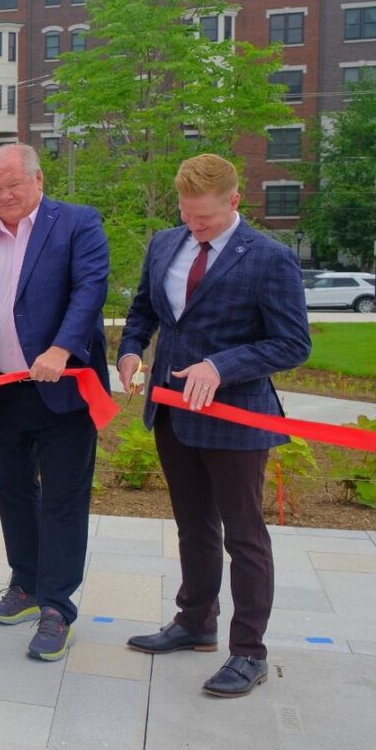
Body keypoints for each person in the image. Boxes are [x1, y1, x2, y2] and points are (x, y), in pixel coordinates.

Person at [119, 154, 310, 698]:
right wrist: (130, 352)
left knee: (244, 536)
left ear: (235, 201)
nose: (194, 227)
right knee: (193, 525)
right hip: (173, 414)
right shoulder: (164, 243)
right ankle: (195, 621)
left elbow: (293, 343)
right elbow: (143, 311)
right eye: (187, 216)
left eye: (204, 219)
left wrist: (222, 366)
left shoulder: (269, 258)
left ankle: (249, 652)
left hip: (236, 418)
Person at [0, 143, 109, 662]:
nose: (5, 196)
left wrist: (62, 348)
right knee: (12, 491)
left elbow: (90, 289)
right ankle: (26, 584)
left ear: (38, 180)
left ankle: (58, 608)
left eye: (14, 185)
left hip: (62, 389)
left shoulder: (77, 224)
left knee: (62, 497)